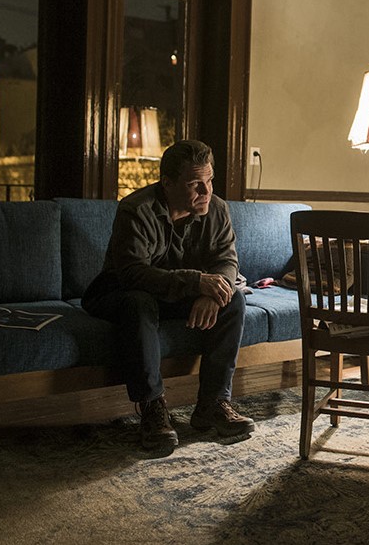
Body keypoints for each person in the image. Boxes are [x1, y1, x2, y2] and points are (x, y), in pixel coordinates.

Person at [83, 139, 254, 455]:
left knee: (234, 301)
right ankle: (152, 407)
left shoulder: (216, 209)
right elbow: (133, 274)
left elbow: (227, 260)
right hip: (120, 292)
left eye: (209, 181)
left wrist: (214, 294)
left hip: (176, 295)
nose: (206, 191)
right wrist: (197, 282)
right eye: (194, 184)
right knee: (139, 302)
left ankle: (213, 404)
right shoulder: (136, 210)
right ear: (167, 183)